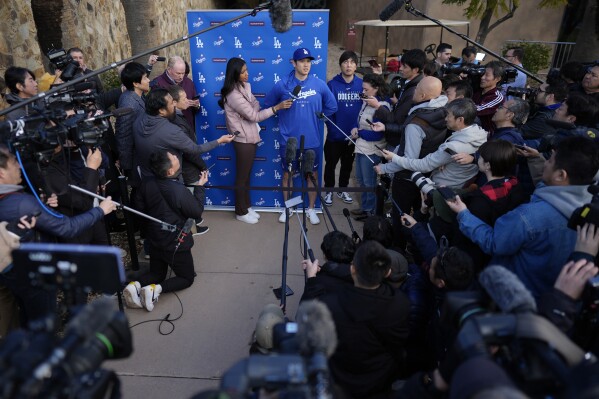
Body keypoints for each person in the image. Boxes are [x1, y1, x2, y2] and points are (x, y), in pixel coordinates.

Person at [446, 136, 599, 299]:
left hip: (513, 297)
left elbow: (494, 243)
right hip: (550, 297)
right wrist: (535, 159)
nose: (545, 163)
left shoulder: (528, 217)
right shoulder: (591, 212)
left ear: (561, 175)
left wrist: (464, 214)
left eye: (550, 161)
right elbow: (546, 184)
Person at [0, 147, 116, 324]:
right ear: (2, 173)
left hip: (18, 268)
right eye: (13, 163)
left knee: (29, 316)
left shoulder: (16, 199)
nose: (19, 166)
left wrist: (43, 205)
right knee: (43, 321)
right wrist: (101, 210)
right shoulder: (21, 201)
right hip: (32, 271)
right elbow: (68, 226)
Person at [301, 240, 410, 398]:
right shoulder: (400, 303)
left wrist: (312, 279)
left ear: (352, 269)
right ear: (387, 272)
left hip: (342, 380)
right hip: (382, 378)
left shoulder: (330, 305)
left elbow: (307, 322)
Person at [123, 150, 207, 312]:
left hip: (154, 240)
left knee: (157, 273)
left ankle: (135, 286)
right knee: (187, 278)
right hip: (176, 243)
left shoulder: (145, 184)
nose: (177, 157)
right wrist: (199, 187)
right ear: (170, 171)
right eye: (174, 158)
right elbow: (196, 212)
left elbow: (139, 210)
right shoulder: (178, 190)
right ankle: (154, 290)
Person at [264, 47, 337, 225]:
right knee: (288, 174)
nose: (306, 65)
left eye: (308, 61)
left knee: (311, 175)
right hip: (288, 141)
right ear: (293, 63)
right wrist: (279, 107)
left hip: (311, 140)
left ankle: (311, 209)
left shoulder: (319, 84)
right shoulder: (282, 84)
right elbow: (267, 105)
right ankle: (288, 208)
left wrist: (320, 115)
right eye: (302, 61)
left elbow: (332, 106)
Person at [373, 76, 448, 245]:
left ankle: (398, 249)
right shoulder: (443, 111)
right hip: (428, 176)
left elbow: (409, 159)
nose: (413, 91)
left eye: (417, 88)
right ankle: (418, 248)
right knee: (421, 215)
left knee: (401, 217)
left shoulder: (417, 123)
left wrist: (384, 168)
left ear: (422, 96)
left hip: (407, 179)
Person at [218, 58, 292, 224]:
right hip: (242, 139)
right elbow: (254, 116)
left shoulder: (245, 86)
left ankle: (247, 206)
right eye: (243, 72)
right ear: (235, 74)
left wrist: (252, 109)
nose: (247, 74)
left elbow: (255, 105)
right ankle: (240, 211)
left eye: (247, 70)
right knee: (242, 177)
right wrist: (276, 108)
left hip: (250, 136)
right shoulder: (233, 95)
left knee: (247, 175)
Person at [382, 98, 487, 189]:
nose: (445, 119)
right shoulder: (480, 135)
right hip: (460, 182)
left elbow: (423, 165)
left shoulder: (453, 147)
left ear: (460, 120)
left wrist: (395, 158)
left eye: (448, 116)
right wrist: (443, 162)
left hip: (445, 187)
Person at [132, 88, 234, 181]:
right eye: (172, 103)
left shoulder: (138, 119)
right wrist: (220, 140)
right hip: (169, 180)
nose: (175, 105)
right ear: (161, 111)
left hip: (146, 179)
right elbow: (195, 149)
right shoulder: (171, 131)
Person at [167, 84, 209, 235]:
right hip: (187, 166)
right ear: (174, 102)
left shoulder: (177, 116)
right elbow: (189, 151)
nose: (187, 100)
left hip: (187, 165)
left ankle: (193, 227)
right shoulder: (176, 121)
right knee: (190, 200)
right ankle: (189, 232)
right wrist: (202, 165)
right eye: (184, 98)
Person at [323, 50, 363, 207]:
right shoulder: (332, 85)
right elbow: (327, 110)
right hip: (335, 135)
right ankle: (329, 191)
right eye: (345, 62)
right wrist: (332, 129)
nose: (348, 65)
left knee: (347, 165)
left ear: (356, 66)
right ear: (340, 65)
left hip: (353, 136)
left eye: (352, 62)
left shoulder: (361, 84)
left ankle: (342, 189)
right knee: (331, 165)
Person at [349, 73, 390, 221]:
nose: (363, 92)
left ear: (376, 88)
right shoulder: (367, 102)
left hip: (373, 150)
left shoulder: (382, 106)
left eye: (366, 90)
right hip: (360, 147)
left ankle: (370, 212)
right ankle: (364, 208)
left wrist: (359, 133)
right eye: (363, 89)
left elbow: (377, 134)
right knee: (360, 179)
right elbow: (358, 120)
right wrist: (355, 128)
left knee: (369, 182)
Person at [372, 49, 426, 147]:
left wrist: (377, 106)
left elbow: (397, 120)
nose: (400, 68)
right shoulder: (407, 82)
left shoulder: (414, 91)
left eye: (404, 66)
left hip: (397, 142)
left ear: (415, 70)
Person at [115, 62, 150, 178]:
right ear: (135, 83)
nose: (148, 80)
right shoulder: (129, 102)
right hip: (135, 160)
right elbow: (123, 134)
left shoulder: (138, 96)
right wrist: (126, 165)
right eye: (145, 78)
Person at [151, 56, 200, 131]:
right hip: (168, 130)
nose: (181, 77)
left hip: (188, 129)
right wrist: (178, 106)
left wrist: (196, 105)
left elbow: (196, 102)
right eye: (178, 73)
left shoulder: (189, 82)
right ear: (169, 70)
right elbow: (157, 110)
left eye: (183, 73)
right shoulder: (158, 83)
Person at [472, 61, 505, 136]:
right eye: (482, 74)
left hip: (484, 135)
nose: (482, 77)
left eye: (487, 75)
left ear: (497, 79)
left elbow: (476, 110)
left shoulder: (497, 97)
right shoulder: (478, 91)